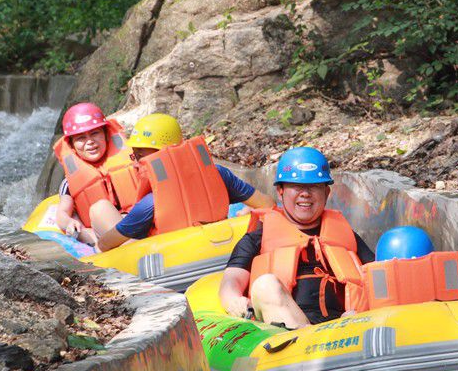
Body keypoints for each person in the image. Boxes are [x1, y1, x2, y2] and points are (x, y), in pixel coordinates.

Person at [218, 147, 375, 329]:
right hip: (287, 331)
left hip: (342, 328)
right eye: (296, 186)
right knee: (265, 285)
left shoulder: (346, 235)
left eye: (314, 186)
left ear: (326, 193)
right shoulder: (256, 239)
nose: (305, 193)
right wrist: (234, 301)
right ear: (280, 191)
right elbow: (231, 282)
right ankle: (306, 335)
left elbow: (377, 277)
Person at [95, 113, 274, 251]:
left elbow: (105, 245)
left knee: (99, 209)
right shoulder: (219, 173)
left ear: (162, 155)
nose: (135, 163)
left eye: (139, 155)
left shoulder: (152, 203)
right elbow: (267, 204)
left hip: (171, 258)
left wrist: (97, 246)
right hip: (220, 247)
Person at [53, 102, 141, 243]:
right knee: (100, 208)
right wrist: (69, 222)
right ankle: (126, 245)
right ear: (72, 145)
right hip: (104, 232)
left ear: (106, 135)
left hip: (137, 222)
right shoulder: (68, 183)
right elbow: (62, 213)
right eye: (81, 138)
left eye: (95, 133)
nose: (90, 142)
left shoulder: (133, 161)